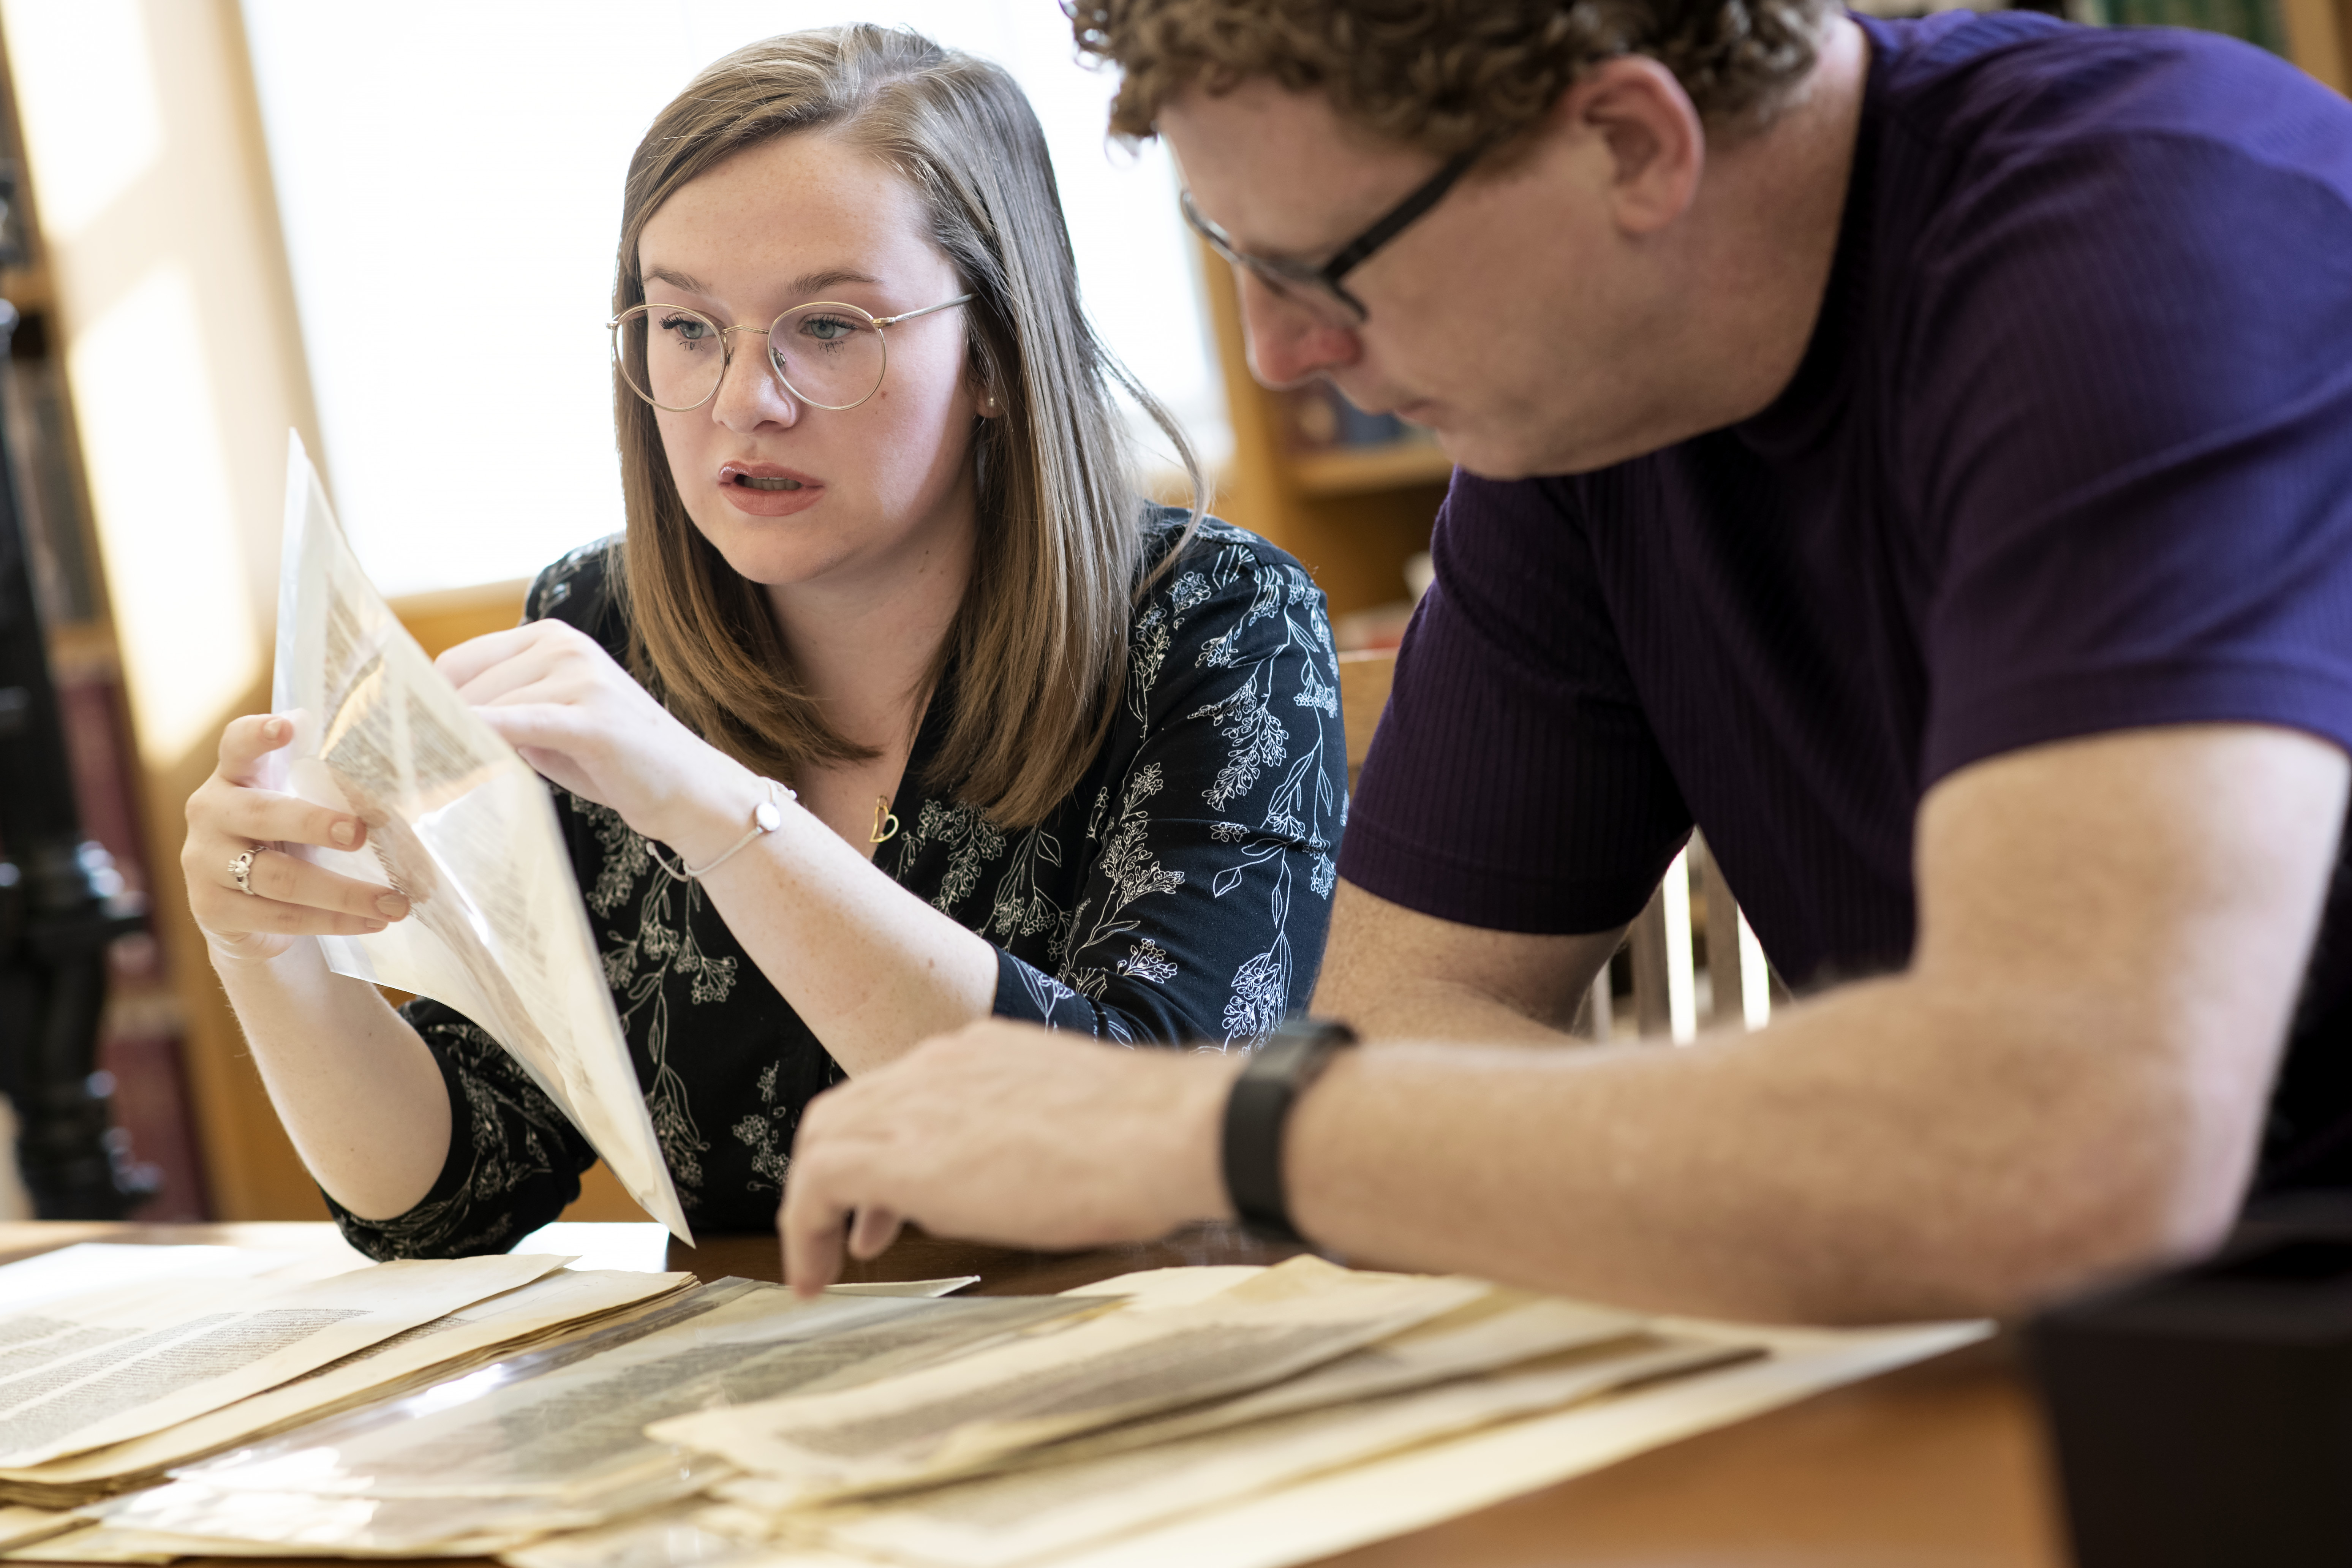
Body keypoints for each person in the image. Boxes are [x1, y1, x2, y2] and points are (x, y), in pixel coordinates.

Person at [776, 0, 2352, 1321]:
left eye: (1326, 268)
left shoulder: (2150, 247)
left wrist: (1225, 1124)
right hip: (2097, 1366)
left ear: (1631, 146)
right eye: (1228, 254)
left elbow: (2064, 1144)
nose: (1282, 354)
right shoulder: (1588, 408)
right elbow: (1397, 1016)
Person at [179, 25, 1347, 1257]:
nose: (746, 400)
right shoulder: (599, 630)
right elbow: (457, 1188)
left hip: (1139, 1392)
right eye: (686, 328)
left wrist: (715, 810)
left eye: (830, 327)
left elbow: (1155, 1143)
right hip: (759, 1418)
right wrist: (264, 954)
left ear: (996, 353)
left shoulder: (1215, 621)